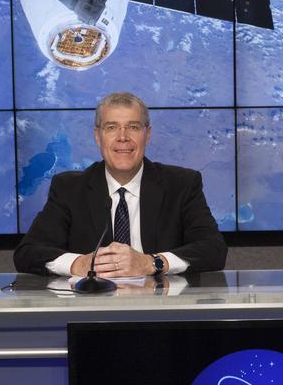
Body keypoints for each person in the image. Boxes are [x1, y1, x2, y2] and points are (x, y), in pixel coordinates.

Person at [14, 91, 227, 276]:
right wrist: (79, 264)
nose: (122, 137)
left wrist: (152, 263)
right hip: (91, 313)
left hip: (164, 313)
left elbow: (214, 250)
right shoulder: (70, 188)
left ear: (148, 134)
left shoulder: (181, 184)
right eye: (111, 127)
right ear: (98, 136)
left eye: (133, 127)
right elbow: (27, 253)